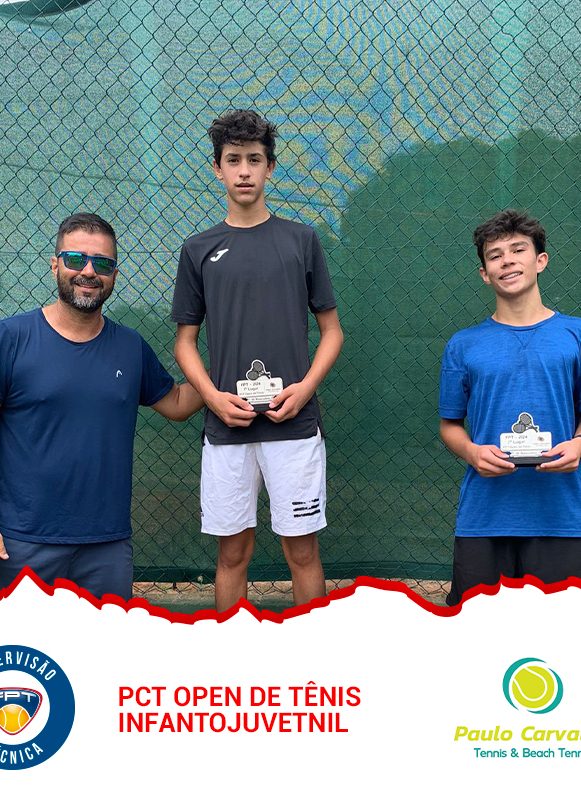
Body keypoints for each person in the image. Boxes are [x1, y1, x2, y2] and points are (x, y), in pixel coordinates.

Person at [172, 109, 343, 611]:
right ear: (217, 168)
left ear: (270, 167)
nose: (244, 171)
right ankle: (234, 650)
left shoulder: (301, 240)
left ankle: (311, 651)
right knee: (232, 555)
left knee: (302, 553)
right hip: (227, 428)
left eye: (253, 159)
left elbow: (332, 332)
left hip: (295, 426)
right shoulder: (198, 249)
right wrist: (212, 398)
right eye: (233, 160)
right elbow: (185, 342)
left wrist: (305, 389)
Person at [0, 212, 203, 601]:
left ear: (115, 274)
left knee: (104, 642)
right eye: (76, 259)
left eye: (103, 264)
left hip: (107, 546)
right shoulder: (11, 338)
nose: (89, 272)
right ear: (55, 264)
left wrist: (227, 368)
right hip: (23, 542)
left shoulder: (130, 346)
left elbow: (177, 402)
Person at [439, 209, 581, 605]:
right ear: (484, 273)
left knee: (559, 634)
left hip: (562, 517)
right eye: (495, 255)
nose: (507, 261)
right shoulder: (463, 344)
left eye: (518, 250)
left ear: (541, 260)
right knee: (478, 632)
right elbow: (450, 425)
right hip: (484, 518)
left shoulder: (575, 334)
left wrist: (579, 444)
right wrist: (472, 452)